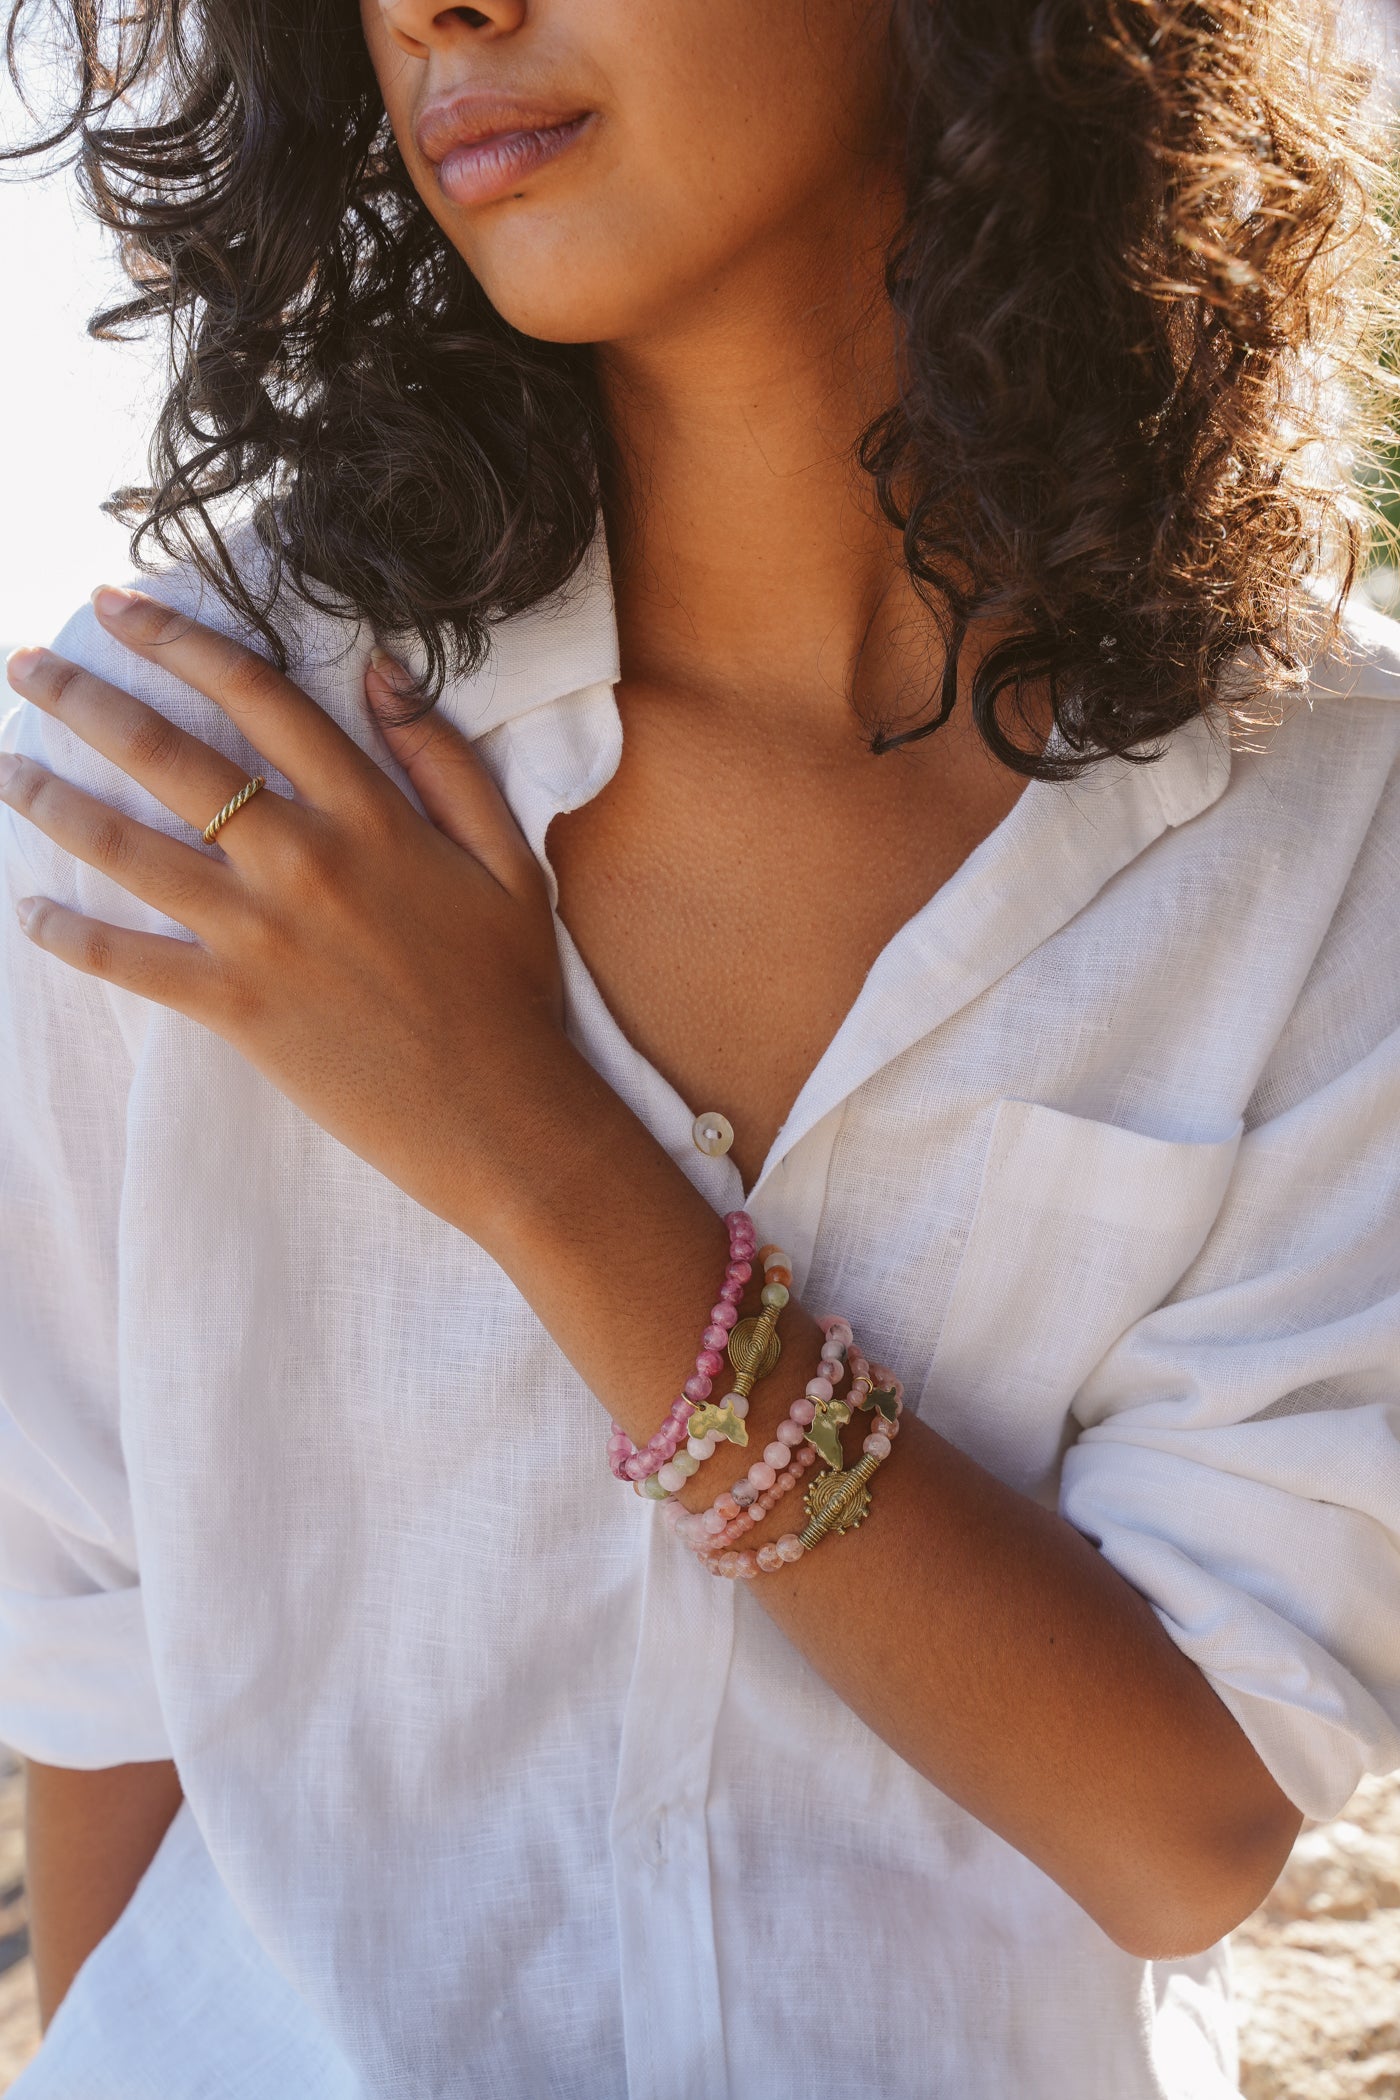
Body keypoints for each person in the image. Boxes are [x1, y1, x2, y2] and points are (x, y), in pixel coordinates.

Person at [1, 0, 1397, 2093]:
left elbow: (1180, 1828)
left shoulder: (1323, 812)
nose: (442, 10)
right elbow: (105, 1676)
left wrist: (537, 1158)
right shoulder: (196, 770)